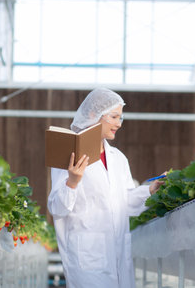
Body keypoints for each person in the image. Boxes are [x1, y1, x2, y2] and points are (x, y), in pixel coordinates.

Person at [47, 88, 165, 288]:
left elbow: (125, 202)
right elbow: (56, 208)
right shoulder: (70, 152)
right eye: (114, 117)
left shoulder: (118, 158)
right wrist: (72, 182)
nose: (119, 124)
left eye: (121, 118)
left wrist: (150, 190)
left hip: (118, 254)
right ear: (94, 115)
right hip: (86, 256)